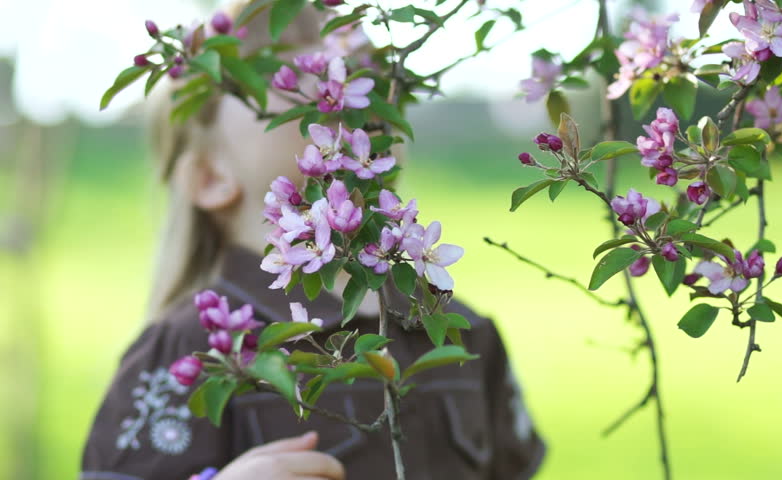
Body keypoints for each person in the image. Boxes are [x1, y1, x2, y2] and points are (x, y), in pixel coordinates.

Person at [80, 2, 546, 479]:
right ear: (208, 177)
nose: (342, 103)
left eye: (363, 88)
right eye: (293, 94)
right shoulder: (200, 349)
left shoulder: (460, 330)